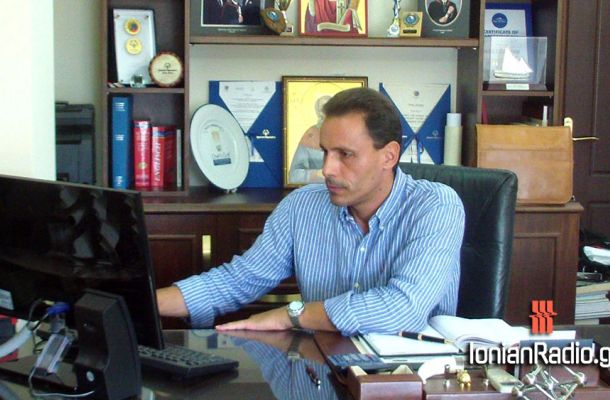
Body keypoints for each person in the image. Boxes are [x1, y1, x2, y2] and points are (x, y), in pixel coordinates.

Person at [157, 87, 465, 335]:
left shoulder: (436, 206)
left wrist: (292, 315)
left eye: (345, 155)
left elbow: (403, 309)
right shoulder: (301, 206)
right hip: (325, 368)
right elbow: (238, 281)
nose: (327, 169)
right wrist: (144, 302)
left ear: (389, 156)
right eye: (325, 152)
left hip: (414, 377)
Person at [287, 95, 331, 184]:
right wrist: (316, 174)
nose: (323, 113)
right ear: (317, 112)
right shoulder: (310, 135)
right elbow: (294, 176)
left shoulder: (346, 134)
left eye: (327, 108)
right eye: (320, 109)